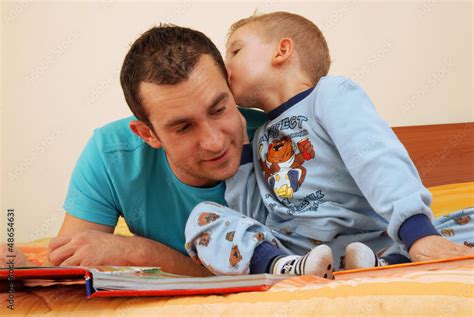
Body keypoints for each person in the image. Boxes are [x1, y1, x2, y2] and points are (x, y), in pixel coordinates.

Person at [184, 12, 474, 277]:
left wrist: (418, 232)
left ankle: (386, 261)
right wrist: (244, 151)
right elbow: (252, 217)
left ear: (281, 51)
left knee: (465, 220)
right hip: (294, 250)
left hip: (374, 237)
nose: (225, 65)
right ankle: (281, 267)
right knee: (202, 218)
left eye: (236, 50)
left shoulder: (331, 95)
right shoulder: (259, 136)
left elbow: (377, 159)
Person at [37, 25, 266, 276]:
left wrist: (141, 253)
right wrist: (20, 273)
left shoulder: (283, 139)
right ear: (147, 134)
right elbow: (67, 270)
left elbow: (289, 268)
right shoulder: (111, 154)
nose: (214, 142)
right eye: (184, 127)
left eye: (219, 109)